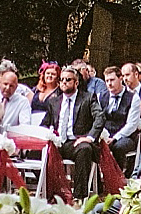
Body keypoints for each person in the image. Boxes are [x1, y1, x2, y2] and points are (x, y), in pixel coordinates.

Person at [44, 65, 106, 199]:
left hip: (77, 142)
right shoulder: (53, 101)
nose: (64, 82)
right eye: (62, 80)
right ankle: (52, 191)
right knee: (34, 152)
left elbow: (100, 117)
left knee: (85, 150)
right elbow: (45, 123)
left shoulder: (88, 98)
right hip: (58, 142)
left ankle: (79, 197)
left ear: (76, 83)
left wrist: (90, 137)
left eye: (68, 80)